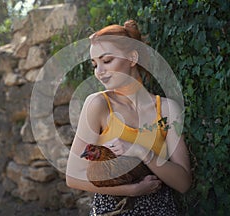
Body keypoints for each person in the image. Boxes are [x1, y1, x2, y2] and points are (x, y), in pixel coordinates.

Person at [66, 20, 192, 215]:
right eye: (95, 64)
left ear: (132, 58)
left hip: (159, 209)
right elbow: (73, 176)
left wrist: (141, 151)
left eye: (107, 61)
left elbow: (183, 183)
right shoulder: (98, 105)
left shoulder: (167, 110)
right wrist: (132, 190)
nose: (99, 72)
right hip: (111, 210)